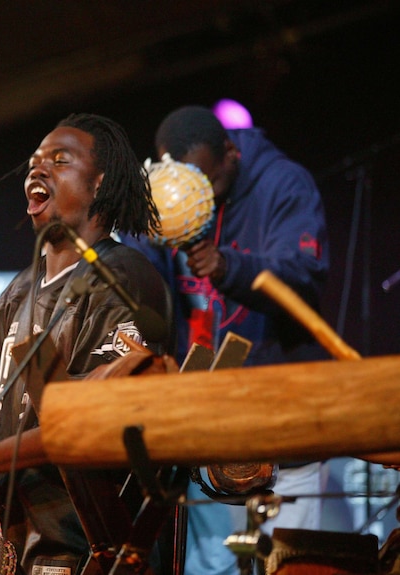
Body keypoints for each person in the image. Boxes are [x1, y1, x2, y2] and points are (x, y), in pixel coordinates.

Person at [0, 114, 172, 574]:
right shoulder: (20, 291)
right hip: (23, 538)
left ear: (99, 184)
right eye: (35, 162)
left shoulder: (123, 279)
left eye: (60, 161)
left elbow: (94, 418)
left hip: (96, 542)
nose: (37, 170)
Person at [123, 105, 331, 575]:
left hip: (282, 417)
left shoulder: (284, 183)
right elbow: (141, 281)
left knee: (288, 563)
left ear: (231, 155)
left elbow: (305, 276)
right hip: (207, 417)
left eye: (211, 187)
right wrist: (138, 221)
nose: (204, 202)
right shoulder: (171, 194)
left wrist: (229, 267)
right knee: (208, 566)